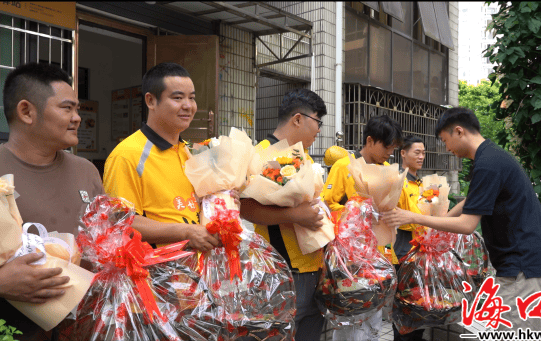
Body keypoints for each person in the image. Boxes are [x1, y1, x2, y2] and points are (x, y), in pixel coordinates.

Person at [383, 107, 541, 331]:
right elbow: (471, 201)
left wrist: (414, 217)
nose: (447, 148)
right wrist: (442, 220)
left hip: (525, 270)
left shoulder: (488, 163)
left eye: (445, 141)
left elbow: (467, 225)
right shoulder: (491, 157)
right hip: (527, 267)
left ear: (459, 131)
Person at [0, 63, 104, 340]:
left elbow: (107, 235)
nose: (78, 118)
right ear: (26, 111)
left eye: (78, 109)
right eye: (67, 108)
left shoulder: (86, 171)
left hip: (81, 326)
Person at [103, 62, 222, 252]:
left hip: (198, 270)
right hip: (156, 274)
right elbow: (120, 221)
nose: (188, 106)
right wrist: (186, 232)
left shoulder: (188, 151)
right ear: (150, 101)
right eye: (177, 98)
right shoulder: (127, 155)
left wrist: (224, 203)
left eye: (192, 98)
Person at [239, 88, 327, 341]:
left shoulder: (303, 156)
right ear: (298, 119)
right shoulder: (266, 154)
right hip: (282, 268)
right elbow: (246, 208)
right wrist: (294, 215)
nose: (318, 130)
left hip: (313, 265)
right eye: (317, 121)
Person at [320, 114, 403, 341]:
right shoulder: (343, 165)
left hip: (378, 255)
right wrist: (357, 212)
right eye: (387, 146)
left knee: (374, 313)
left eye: (393, 147)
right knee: (349, 312)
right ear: (369, 141)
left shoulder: (389, 170)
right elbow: (328, 204)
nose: (390, 153)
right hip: (349, 258)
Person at [393, 136, 426, 341]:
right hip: (404, 248)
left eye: (423, 153)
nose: (421, 156)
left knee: (421, 303)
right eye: (417, 152)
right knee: (406, 305)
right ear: (403, 153)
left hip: (423, 249)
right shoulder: (398, 181)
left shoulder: (422, 183)